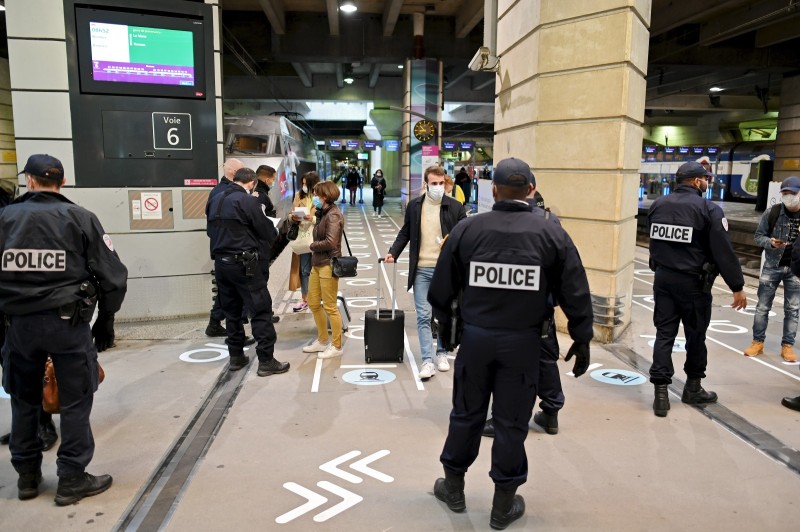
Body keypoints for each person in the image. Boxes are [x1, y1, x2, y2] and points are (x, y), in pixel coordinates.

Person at [428, 157, 594, 530]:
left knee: (467, 413)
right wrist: (582, 337)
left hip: (476, 339)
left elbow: (440, 289)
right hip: (523, 344)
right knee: (511, 421)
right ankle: (503, 505)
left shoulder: (468, 230)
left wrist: (451, 323)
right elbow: (576, 290)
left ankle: (453, 487)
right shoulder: (551, 234)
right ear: (532, 191)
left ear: (495, 191)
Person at [0, 154, 128, 504]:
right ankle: (71, 479)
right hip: (67, 324)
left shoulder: (4, 218)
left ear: (29, 180)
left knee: (25, 400)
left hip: (18, 326)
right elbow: (113, 276)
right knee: (75, 400)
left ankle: (27, 478)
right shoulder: (81, 218)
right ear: (62, 181)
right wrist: (106, 321)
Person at [647, 161, 747, 418]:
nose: (707, 182)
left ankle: (660, 395)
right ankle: (692, 388)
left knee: (664, 334)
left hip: (663, 280)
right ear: (695, 181)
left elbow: (654, 244)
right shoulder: (708, 209)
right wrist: (737, 286)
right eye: (705, 178)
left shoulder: (658, 204)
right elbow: (723, 251)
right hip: (693, 284)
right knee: (695, 336)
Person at [483, 188, 564, 438]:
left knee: (507, 364)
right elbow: (565, 268)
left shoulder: (508, 223)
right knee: (546, 358)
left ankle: (503, 419)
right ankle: (551, 412)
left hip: (510, 309)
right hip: (542, 308)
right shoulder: (552, 223)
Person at [206, 167, 289, 377]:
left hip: (221, 264)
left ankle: (236, 357)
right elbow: (266, 232)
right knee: (260, 310)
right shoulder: (247, 201)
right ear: (252, 183)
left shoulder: (215, 198)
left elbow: (210, 230)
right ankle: (266, 361)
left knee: (231, 312)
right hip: (244, 264)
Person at [386, 166, 467, 380]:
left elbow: (464, 236)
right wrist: (393, 252)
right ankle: (427, 360)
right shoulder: (414, 206)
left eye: (441, 183)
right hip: (421, 269)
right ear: (426, 184)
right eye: (434, 183)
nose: (438, 187)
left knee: (443, 315)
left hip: (445, 271)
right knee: (423, 316)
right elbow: (405, 232)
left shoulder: (456, 207)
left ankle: (441, 353)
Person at [743, 176, 800, 362]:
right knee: (762, 307)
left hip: (796, 269)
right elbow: (758, 237)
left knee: (793, 309)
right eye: (785, 193)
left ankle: (788, 346)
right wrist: (771, 243)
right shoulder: (773, 212)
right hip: (772, 266)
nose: (789, 196)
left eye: (793, 193)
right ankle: (757, 342)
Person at [205, 158, 251, 339]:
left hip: (221, 250)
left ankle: (214, 323)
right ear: (234, 173)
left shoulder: (216, 192)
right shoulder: (232, 195)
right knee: (239, 295)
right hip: (235, 252)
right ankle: (237, 336)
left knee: (227, 292)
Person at [301, 181, 345, 359]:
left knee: (330, 307)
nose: (315, 198)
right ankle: (322, 340)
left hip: (328, 264)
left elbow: (331, 242)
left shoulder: (333, 215)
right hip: (317, 263)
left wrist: (311, 245)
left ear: (325, 196)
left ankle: (336, 345)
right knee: (313, 303)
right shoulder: (322, 213)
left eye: (317, 195)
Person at [253, 165, 281, 324]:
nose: (274, 182)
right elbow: (261, 222)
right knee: (260, 282)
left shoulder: (253, 193)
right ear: (266, 179)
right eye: (273, 179)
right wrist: (273, 234)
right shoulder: (261, 197)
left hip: (252, 246)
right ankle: (264, 315)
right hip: (260, 246)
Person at [289, 171, 319, 312]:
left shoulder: (321, 196)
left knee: (320, 269)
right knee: (305, 270)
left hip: (318, 237)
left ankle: (319, 298)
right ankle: (305, 299)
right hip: (303, 238)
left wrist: (311, 219)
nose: (304, 186)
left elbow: (327, 217)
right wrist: (293, 217)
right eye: (303, 183)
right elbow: (291, 213)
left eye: (306, 183)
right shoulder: (298, 196)